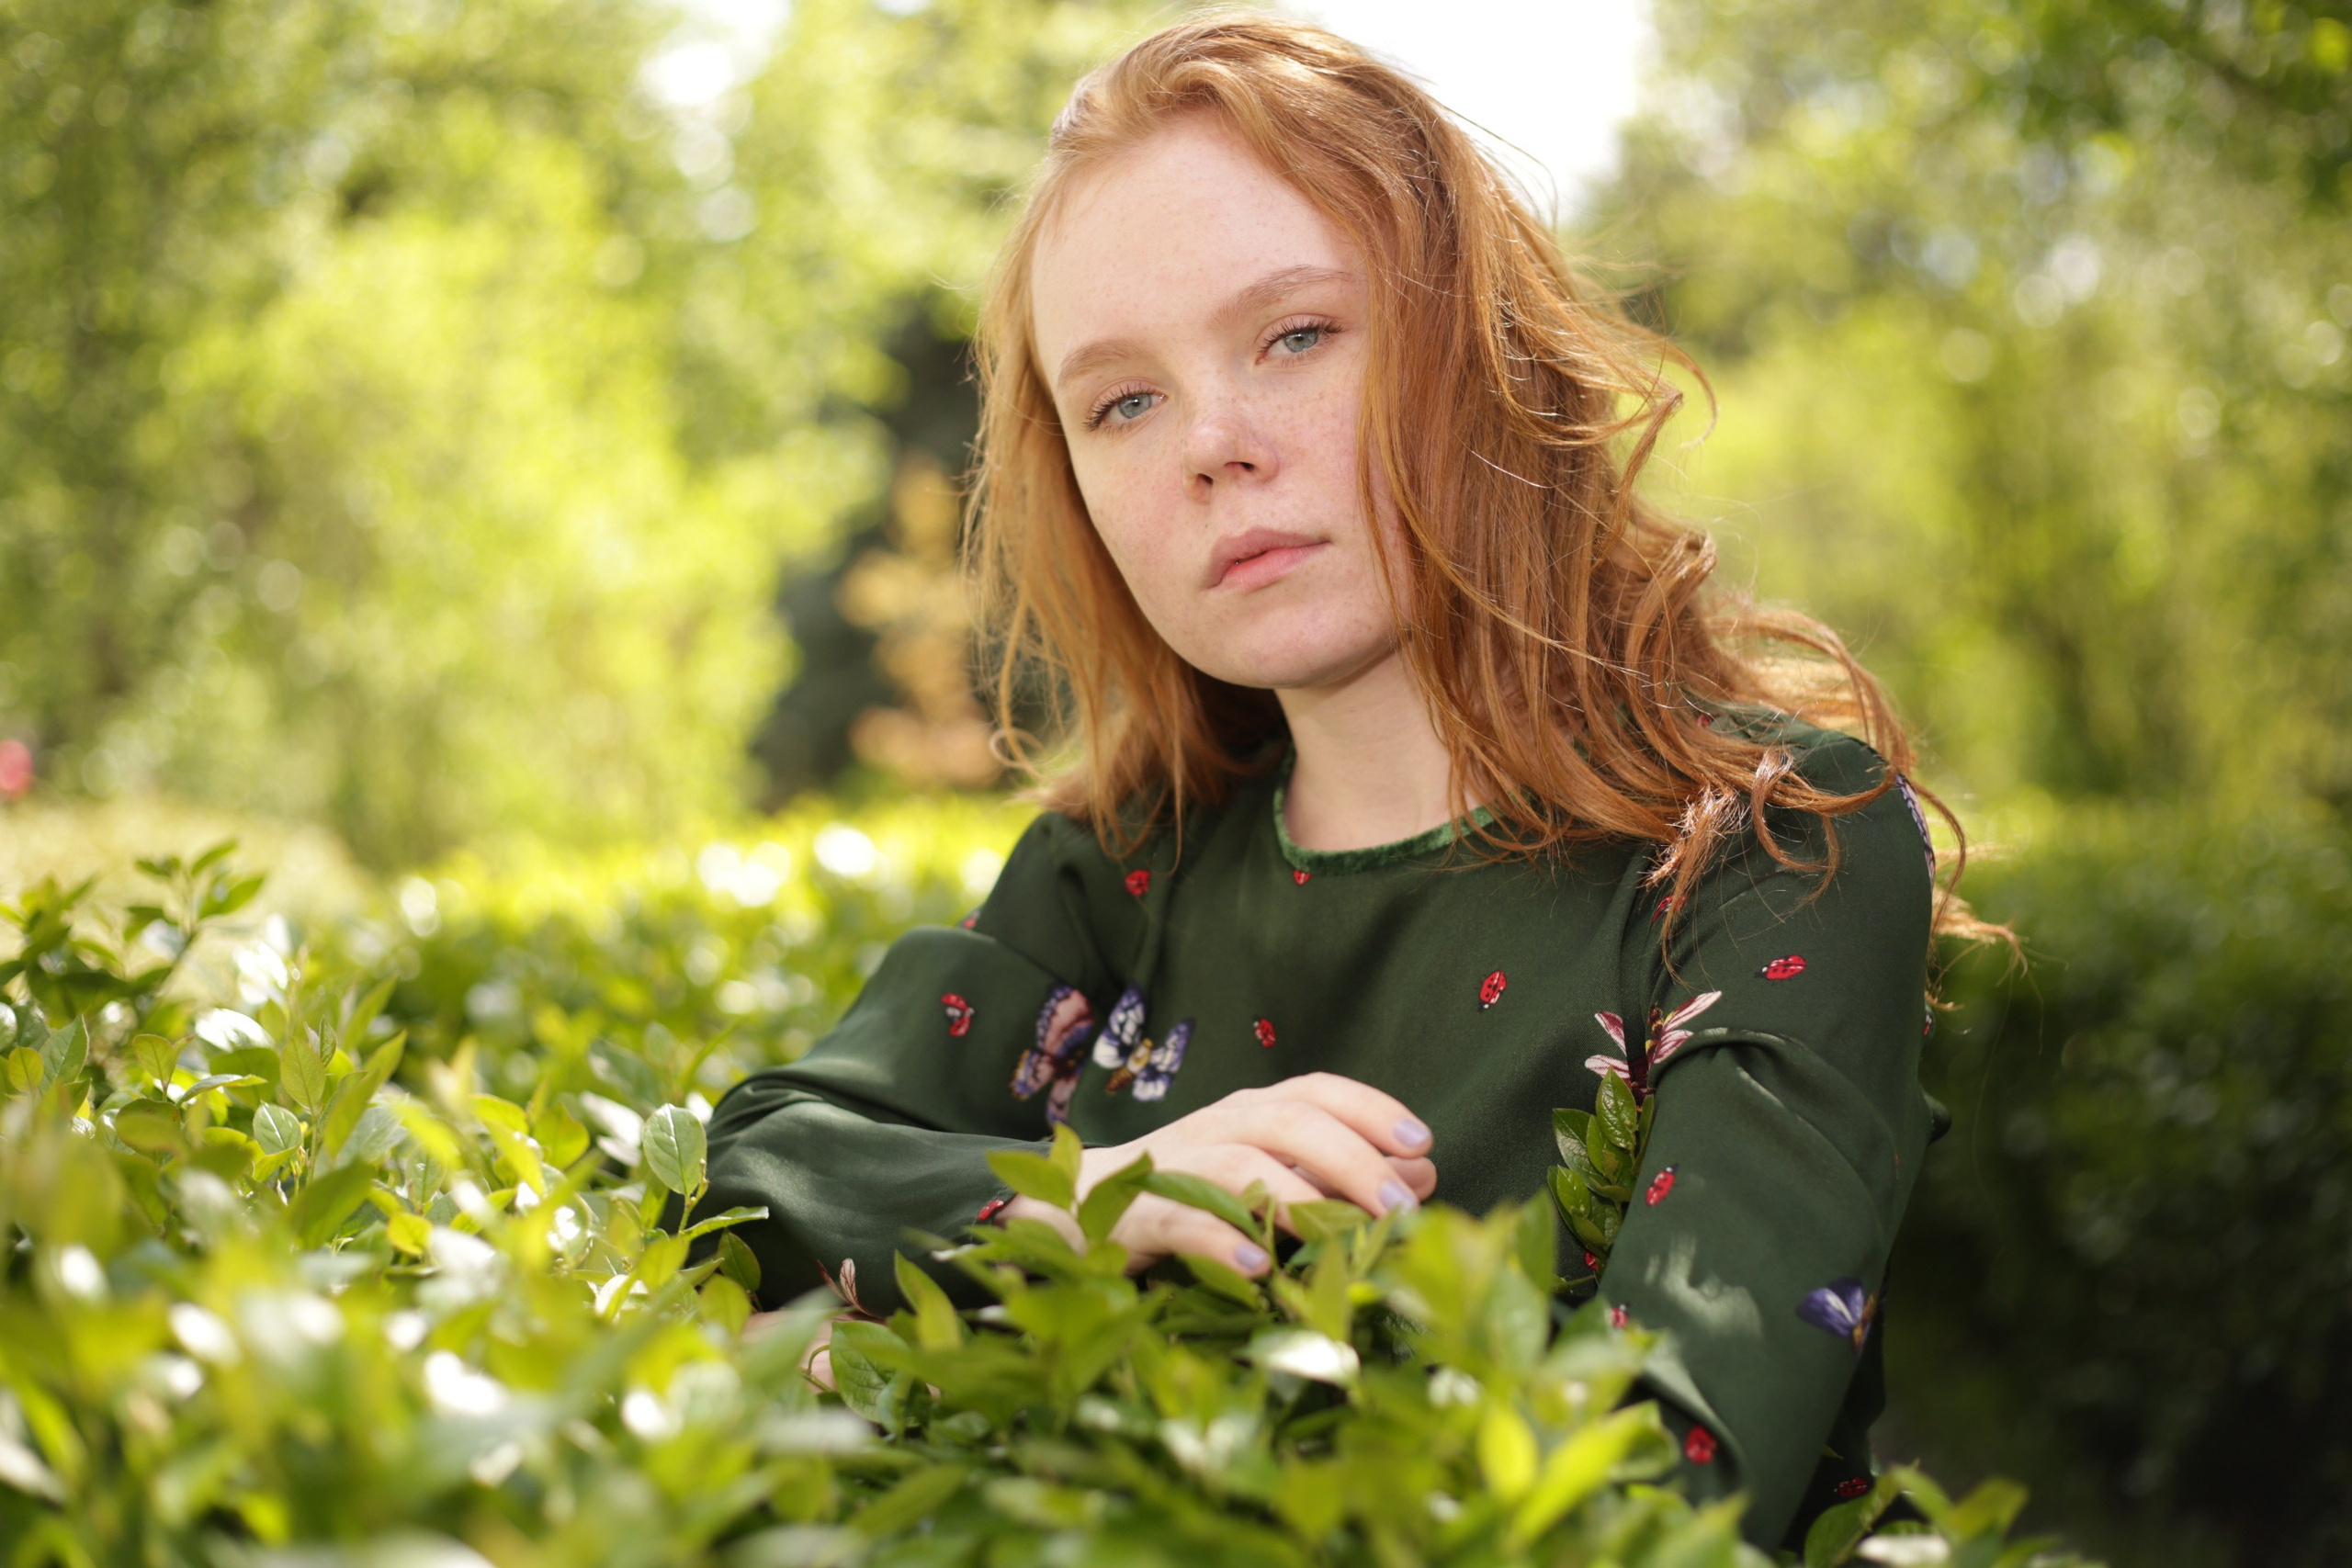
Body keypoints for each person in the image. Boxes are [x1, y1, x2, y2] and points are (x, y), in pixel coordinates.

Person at [698, 12, 2000, 1550]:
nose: (1213, 446)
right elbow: (761, 1173)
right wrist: (1092, 1201)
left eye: (1295, 335)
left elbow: (1663, 1491)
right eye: (1123, 400)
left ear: (1476, 344)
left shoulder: (1776, 851)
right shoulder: (1120, 867)